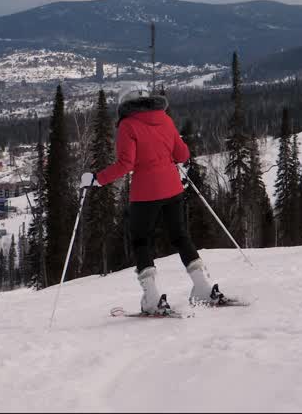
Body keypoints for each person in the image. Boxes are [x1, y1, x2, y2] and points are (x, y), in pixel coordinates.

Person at [80, 87, 228, 315]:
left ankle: (151, 297)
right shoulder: (165, 119)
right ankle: (202, 286)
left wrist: (97, 180)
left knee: (141, 241)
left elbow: (125, 164)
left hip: (145, 193)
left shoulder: (128, 125)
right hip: (173, 188)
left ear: (124, 105)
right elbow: (182, 155)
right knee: (180, 236)